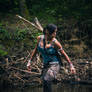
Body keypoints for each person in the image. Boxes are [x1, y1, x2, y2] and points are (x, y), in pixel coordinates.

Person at [27, 24, 76, 92]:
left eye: (56, 32)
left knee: (46, 79)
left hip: (55, 64)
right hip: (45, 64)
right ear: (48, 32)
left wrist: (71, 65)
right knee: (44, 81)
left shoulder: (55, 43)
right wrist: (29, 61)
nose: (55, 34)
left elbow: (64, 54)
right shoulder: (39, 38)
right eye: (54, 32)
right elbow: (36, 50)